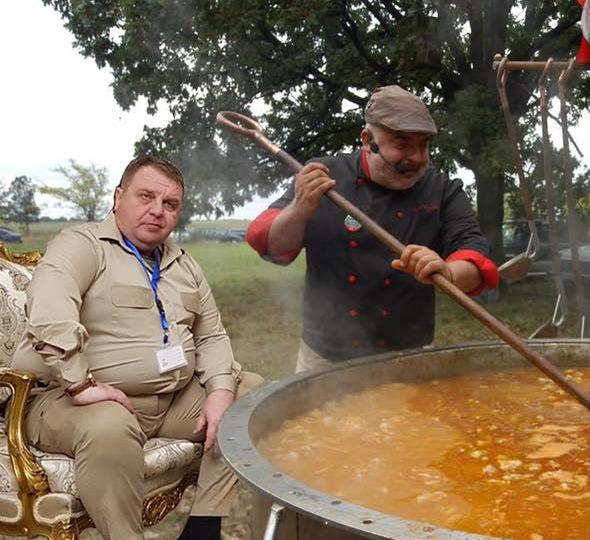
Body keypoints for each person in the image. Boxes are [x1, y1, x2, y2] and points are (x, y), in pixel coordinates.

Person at [12, 155, 262, 540]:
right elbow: (49, 310)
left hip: (170, 401)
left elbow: (212, 335)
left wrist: (220, 390)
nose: (157, 211)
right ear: (118, 197)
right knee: (110, 425)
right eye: (145, 196)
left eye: (170, 204)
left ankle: (204, 528)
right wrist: (81, 385)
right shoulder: (83, 245)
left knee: (252, 394)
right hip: (72, 402)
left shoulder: (184, 264)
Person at [246, 85, 499, 371]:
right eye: (402, 144)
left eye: (423, 145)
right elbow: (270, 245)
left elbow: (476, 256)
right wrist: (299, 209)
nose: (416, 157)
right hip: (325, 359)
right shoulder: (323, 176)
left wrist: (449, 272)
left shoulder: (442, 190)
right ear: (367, 139)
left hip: (410, 356)